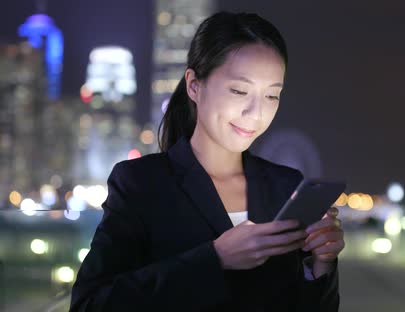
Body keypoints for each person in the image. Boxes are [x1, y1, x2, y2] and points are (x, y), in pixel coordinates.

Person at [70, 11, 344, 311]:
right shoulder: (142, 183)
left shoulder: (286, 187)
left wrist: (321, 264)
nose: (256, 113)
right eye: (240, 91)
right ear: (194, 85)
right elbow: (89, 304)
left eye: (271, 96)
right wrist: (214, 259)